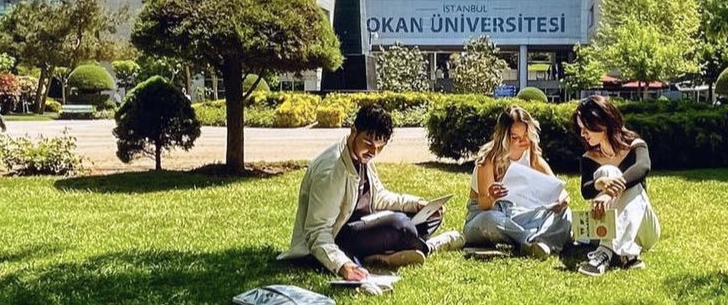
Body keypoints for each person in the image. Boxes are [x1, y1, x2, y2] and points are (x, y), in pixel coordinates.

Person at [278, 105, 464, 281]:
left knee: (428, 216)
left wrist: (417, 205)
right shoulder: (331, 170)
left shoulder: (361, 157)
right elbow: (316, 231)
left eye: (380, 146)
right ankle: (428, 246)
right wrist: (342, 265)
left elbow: (379, 198)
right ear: (353, 131)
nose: (373, 151)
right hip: (336, 239)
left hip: (363, 225)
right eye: (368, 143)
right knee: (400, 225)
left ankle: (387, 253)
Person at [463, 106, 571, 260]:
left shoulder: (532, 157)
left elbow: (559, 189)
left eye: (526, 135)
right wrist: (492, 197)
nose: (522, 141)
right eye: (515, 137)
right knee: (491, 220)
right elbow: (484, 205)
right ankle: (533, 241)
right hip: (484, 215)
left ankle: (540, 242)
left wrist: (562, 200)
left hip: (516, 212)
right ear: (504, 137)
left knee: (564, 212)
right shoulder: (489, 160)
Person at [572, 95, 660, 276]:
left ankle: (605, 251)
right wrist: (599, 184)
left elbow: (643, 168)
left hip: (643, 230)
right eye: (581, 129)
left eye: (586, 128)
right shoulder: (589, 158)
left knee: (630, 183)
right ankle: (628, 255)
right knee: (607, 171)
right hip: (605, 228)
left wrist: (609, 193)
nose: (583, 134)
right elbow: (586, 191)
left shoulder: (634, 145)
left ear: (602, 123)